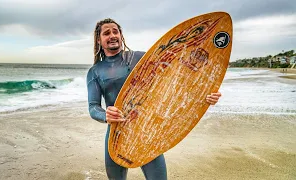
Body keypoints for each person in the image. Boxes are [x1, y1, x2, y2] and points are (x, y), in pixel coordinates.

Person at [86, 18, 221, 180]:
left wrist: (204, 96)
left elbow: (176, 78)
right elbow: (93, 107)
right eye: (106, 33)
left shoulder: (141, 59)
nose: (112, 35)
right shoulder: (95, 72)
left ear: (121, 35)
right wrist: (105, 115)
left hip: (147, 131)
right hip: (116, 135)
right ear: (99, 40)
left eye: (115, 31)